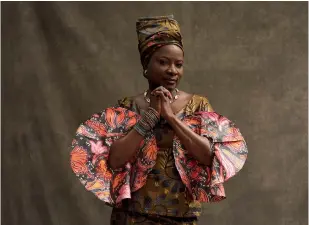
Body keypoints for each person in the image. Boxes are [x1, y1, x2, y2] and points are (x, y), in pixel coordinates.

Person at [70, 15, 248, 225]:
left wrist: (171, 118)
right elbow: (114, 160)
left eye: (178, 64)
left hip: (181, 214)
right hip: (132, 214)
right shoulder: (128, 106)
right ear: (147, 64)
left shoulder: (198, 105)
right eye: (163, 62)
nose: (172, 70)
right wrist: (149, 118)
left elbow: (209, 157)